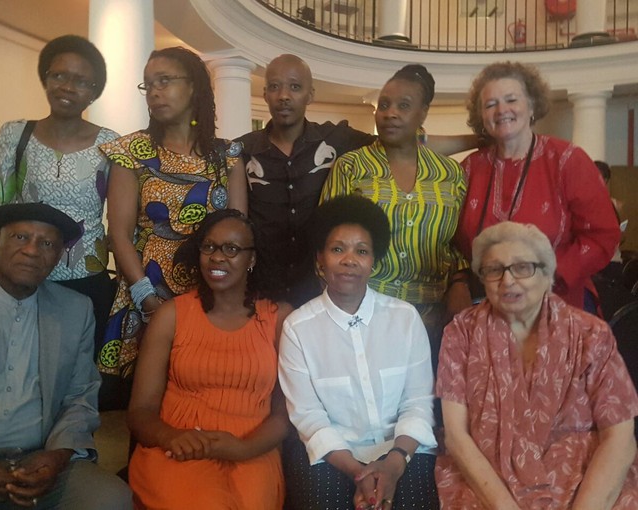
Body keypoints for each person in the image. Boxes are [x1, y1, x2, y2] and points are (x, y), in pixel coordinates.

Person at [237, 54, 477, 307]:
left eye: (295, 87)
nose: (284, 95)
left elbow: (404, 142)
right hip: (264, 287)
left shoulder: (336, 139)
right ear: (264, 94)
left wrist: (481, 140)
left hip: (317, 289)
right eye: (274, 86)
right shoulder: (243, 149)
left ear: (310, 94)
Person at [436, 221, 638, 509]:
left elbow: (619, 434)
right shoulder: (461, 334)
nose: (507, 281)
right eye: (494, 270)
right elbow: (456, 436)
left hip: (585, 473)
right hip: (488, 476)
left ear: (547, 275)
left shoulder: (591, 333)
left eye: (523, 268)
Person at [96, 47, 247, 407]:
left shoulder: (228, 157)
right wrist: (148, 299)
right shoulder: (131, 152)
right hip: (148, 289)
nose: (155, 92)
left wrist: (225, 300)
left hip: (212, 293)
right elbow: (120, 233)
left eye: (165, 81)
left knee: (206, 393)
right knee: (150, 400)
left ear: (194, 86)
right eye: (148, 85)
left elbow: (239, 235)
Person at [0, 203, 131, 509]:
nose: (32, 251)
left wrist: (57, 457)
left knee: (111, 499)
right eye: (20, 237)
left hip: (38, 460)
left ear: (59, 255)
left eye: (47, 243)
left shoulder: (75, 309)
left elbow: (81, 397)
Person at [0, 34, 119, 359]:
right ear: (45, 77)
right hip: (21, 274)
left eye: (81, 81)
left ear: (94, 91)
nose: (67, 86)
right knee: (16, 368)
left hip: (84, 280)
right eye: (58, 75)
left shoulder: (110, 144)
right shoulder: (15, 134)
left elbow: (122, 220)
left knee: (72, 372)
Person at [279, 195, 438, 510]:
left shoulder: (405, 318)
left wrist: (394, 463)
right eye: (338, 249)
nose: (349, 259)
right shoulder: (298, 328)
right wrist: (357, 471)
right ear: (319, 260)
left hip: (403, 450)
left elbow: (418, 404)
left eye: (361, 251)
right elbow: (309, 416)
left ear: (373, 261)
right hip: (333, 455)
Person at [127, 209, 291, 509]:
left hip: (252, 450)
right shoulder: (171, 315)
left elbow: (286, 412)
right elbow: (140, 411)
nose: (217, 257)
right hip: (180, 449)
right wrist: (170, 436)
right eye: (209, 247)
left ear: (252, 259)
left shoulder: (278, 318)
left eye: (231, 249)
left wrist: (243, 448)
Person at [320, 64, 471, 360]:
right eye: (384, 105)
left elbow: (460, 242)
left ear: (423, 113)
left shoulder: (450, 174)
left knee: (423, 400)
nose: (390, 113)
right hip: (365, 310)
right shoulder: (352, 167)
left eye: (404, 106)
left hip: (434, 315)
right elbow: (326, 240)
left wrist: (460, 282)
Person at [455, 61, 620, 310]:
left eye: (511, 100)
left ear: (532, 105)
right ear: (481, 116)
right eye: (490, 105)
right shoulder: (469, 169)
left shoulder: (568, 160)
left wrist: (545, 275)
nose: (501, 110)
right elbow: (451, 241)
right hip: (488, 306)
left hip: (558, 301)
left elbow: (603, 235)